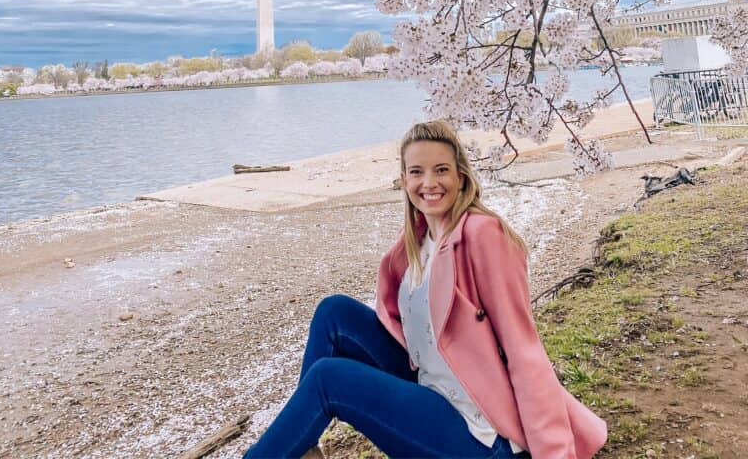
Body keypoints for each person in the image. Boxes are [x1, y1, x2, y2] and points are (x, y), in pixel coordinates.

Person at [244, 120, 608, 459]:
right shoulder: (417, 244)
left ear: (462, 177)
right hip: (433, 388)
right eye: (417, 172)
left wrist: (554, 451)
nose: (429, 182)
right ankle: (301, 447)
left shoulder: (483, 236)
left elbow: (524, 349)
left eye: (441, 170)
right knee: (335, 313)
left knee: (328, 379)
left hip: (479, 431)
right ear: (403, 180)